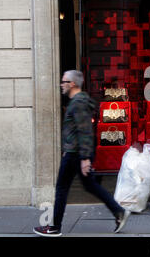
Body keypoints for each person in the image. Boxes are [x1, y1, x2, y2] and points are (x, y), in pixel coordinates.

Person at [33, 70, 129, 237]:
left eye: (64, 81)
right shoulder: (77, 102)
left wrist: (85, 158)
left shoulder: (78, 103)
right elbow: (75, 130)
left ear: (73, 84)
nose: (61, 84)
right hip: (74, 152)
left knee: (63, 188)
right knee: (89, 185)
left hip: (77, 154)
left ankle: (55, 227)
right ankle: (118, 211)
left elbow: (84, 131)